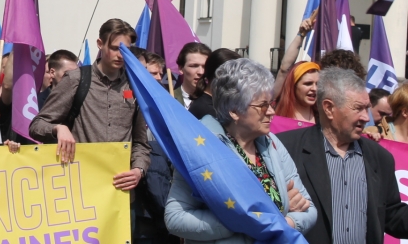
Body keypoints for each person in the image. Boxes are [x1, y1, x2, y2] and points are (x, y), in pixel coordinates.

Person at [165, 59, 317, 241]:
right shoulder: (202, 151)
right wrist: (243, 222)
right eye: (262, 106)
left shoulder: (272, 143)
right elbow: (175, 218)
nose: (271, 111)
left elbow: (309, 210)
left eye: (271, 103)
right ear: (234, 111)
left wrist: (284, 224)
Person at [279, 68, 408, 243]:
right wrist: (281, 204)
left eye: (367, 108)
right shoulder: (285, 149)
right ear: (329, 108)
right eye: (358, 108)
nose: (366, 117)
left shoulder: (380, 157)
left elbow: (391, 214)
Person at [30, 19, 150, 192]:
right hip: (79, 188)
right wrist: (58, 128)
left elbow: (141, 143)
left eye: (125, 50)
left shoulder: (135, 86)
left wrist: (138, 170)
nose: (120, 55)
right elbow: (37, 126)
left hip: (119, 192)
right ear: (100, 44)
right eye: (115, 48)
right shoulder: (76, 79)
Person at [188, 48, 241, 120]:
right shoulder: (208, 110)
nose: (239, 81)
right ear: (221, 76)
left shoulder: (214, 104)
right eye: (236, 75)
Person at [174, 42, 211, 109]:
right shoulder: (169, 98)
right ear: (181, 68)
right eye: (194, 66)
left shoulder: (216, 101)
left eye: (205, 67)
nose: (201, 72)